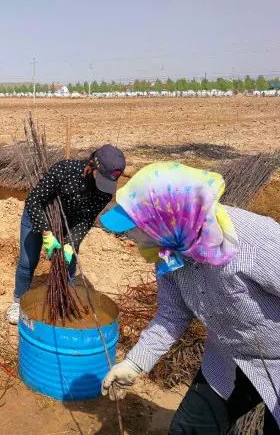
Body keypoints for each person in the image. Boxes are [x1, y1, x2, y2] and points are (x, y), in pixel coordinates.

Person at [99, 161, 280, 434]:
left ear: (167, 218)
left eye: (136, 227)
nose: (131, 237)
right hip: (227, 357)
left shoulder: (257, 243)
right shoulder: (170, 252)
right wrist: (135, 363)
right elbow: (172, 313)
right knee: (189, 429)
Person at [7, 144, 126, 324]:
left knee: (67, 263)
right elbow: (34, 201)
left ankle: (63, 299)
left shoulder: (105, 193)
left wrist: (70, 244)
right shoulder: (65, 170)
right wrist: (46, 234)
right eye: (101, 177)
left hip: (70, 224)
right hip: (38, 215)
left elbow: (86, 220)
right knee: (27, 261)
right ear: (92, 165)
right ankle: (18, 301)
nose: (104, 185)